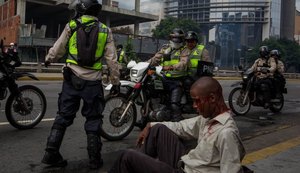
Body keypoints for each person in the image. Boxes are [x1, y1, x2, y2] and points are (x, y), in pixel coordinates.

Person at [41, 0, 120, 169]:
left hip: (71, 80)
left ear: (81, 10)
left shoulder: (72, 25)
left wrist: (49, 59)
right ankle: (94, 160)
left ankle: (50, 153)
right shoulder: (106, 30)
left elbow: (58, 48)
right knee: (93, 119)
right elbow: (112, 60)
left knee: (63, 116)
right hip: (93, 83)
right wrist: (115, 81)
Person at [108, 76, 245, 173]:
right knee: (158, 129)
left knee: (127, 157)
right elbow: (181, 127)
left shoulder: (226, 133)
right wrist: (151, 124)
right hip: (184, 164)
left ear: (212, 98)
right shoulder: (207, 118)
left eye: (197, 101)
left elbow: (232, 169)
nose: (195, 106)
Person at [144, 28, 189, 122]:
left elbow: (184, 63)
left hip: (177, 81)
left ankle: (178, 122)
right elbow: (155, 59)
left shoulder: (184, 50)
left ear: (182, 40)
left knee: (174, 104)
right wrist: (144, 65)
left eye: (178, 39)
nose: (176, 41)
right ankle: (145, 118)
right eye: (174, 38)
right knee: (150, 90)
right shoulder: (165, 48)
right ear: (171, 38)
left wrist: (172, 67)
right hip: (164, 78)